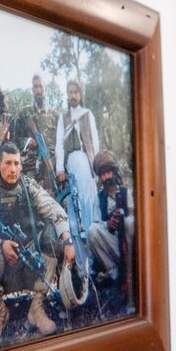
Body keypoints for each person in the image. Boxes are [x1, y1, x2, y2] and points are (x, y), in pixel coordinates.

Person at [0, 142, 73, 350]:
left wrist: (67, 240)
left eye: (16, 163)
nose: (13, 169)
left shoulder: (28, 185)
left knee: (54, 235)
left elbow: (54, 210)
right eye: (8, 163)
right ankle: (0, 313)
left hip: (28, 260)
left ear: (21, 166)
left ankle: (36, 308)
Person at [55, 78, 99, 245]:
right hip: (71, 162)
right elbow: (59, 144)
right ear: (67, 95)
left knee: (89, 202)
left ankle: (94, 249)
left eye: (76, 92)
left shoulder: (87, 115)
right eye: (70, 92)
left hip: (86, 162)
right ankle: (79, 262)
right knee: (75, 206)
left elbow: (94, 142)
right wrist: (60, 169)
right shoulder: (63, 118)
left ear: (80, 94)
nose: (73, 95)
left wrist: (96, 168)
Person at [88, 151, 134, 286]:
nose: (106, 177)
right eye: (103, 174)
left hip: (130, 246)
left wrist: (123, 220)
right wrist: (108, 224)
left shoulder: (126, 192)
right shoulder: (98, 199)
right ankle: (115, 276)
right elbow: (97, 224)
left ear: (114, 172)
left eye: (108, 172)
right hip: (113, 246)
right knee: (92, 230)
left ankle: (132, 270)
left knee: (130, 222)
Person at [15, 74, 60, 196]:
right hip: (30, 170)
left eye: (41, 86)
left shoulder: (56, 116)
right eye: (35, 87)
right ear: (32, 90)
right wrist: (27, 142)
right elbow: (13, 141)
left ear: (46, 89)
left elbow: (62, 145)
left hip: (51, 170)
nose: (39, 90)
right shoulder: (24, 113)